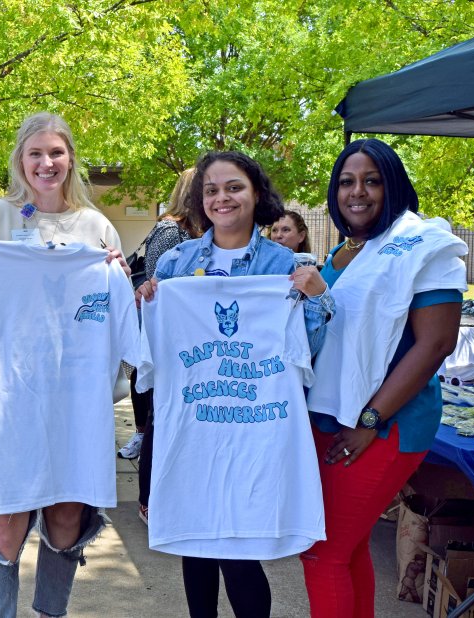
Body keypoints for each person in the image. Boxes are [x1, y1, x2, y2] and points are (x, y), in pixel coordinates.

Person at [0, 111, 131, 618]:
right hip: (7, 399)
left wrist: (118, 277)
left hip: (73, 399)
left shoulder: (96, 227)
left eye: (56, 153)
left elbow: (118, 313)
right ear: (20, 161)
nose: (46, 164)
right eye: (36, 154)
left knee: (68, 513)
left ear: (71, 160)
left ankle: (52, 612)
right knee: (1, 521)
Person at [137, 150, 333, 618]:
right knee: (197, 543)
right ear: (199, 199)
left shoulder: (282, 263)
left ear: (256, 194)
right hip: (193, 426)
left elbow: (311, 345)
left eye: (234, 187)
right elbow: (153, 346)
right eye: (211, 190)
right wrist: (147, 301)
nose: (221, 198)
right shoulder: (177, 263)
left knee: (241, 553)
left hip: (255, 429)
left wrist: (315, 297)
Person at [301, 138, 466, 618]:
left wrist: (370, 419)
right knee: (346, 548)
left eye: (372, 180)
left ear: (393, 185)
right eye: (347, 182)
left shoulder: (424, 245)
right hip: (333, 417)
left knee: (322, 551)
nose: (358, 192)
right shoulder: (343, 253)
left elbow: (437, 343)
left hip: (386, 424)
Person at [125, 168, 196, 527]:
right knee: (159, 419)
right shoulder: (172, 230)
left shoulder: (198, 233)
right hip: (169, 341)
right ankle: (149, 500)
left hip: (192, 343)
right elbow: (160, 285)